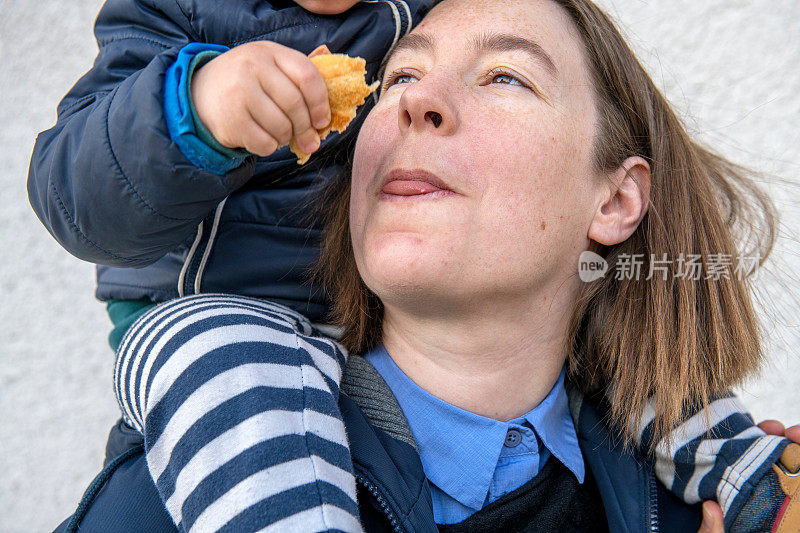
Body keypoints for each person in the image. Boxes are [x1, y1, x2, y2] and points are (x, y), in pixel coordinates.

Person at [54, 0, 800, 531]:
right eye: (400, 79)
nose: (418, 105)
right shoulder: (185, 493)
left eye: (506, 76)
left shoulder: (708, 497)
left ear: (616, 199)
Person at [27, 0, 439, 531]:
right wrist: (195, 109)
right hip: (208, 317)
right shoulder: (181, 8)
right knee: (235, 391)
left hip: (366, 327)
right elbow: (75, 195)